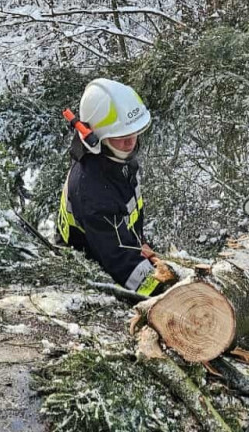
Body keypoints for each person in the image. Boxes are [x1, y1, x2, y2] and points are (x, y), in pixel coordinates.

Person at [58, 78, 177, 296]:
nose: (130, 142)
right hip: (95, 270)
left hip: (119, 248)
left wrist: (140, 243)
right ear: (95, 139)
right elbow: (122, 264)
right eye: (121, 137)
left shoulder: (116, 159)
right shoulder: (92, 190)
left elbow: (124, 216)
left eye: (133, 133)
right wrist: (163, 292)